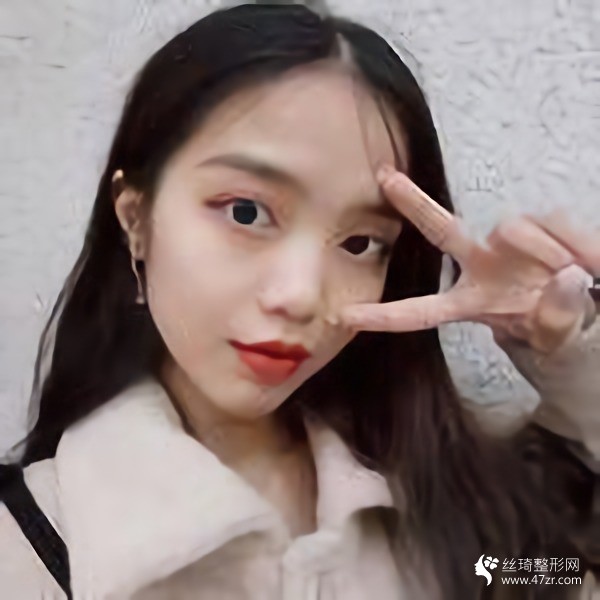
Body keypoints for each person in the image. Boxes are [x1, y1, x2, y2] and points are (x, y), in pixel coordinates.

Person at [0, 2, 598, 599]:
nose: (301, 296)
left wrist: (577, 365)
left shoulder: (461, 520)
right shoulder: (30, 546)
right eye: (246, 212)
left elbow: (563, 580)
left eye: (360, 243)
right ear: (136, 220)